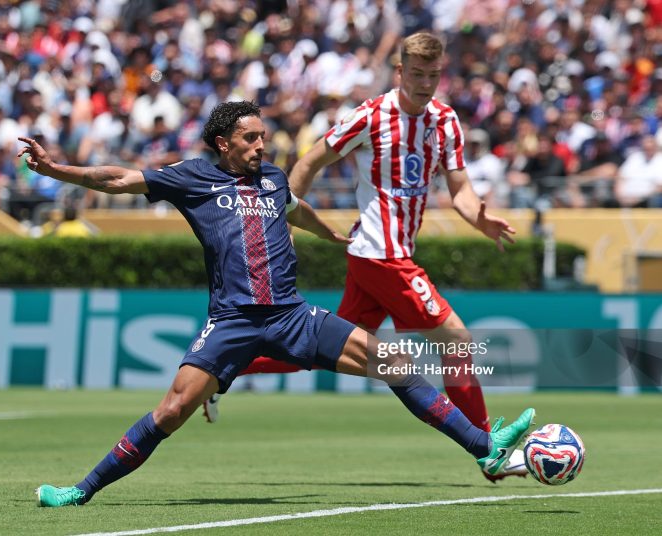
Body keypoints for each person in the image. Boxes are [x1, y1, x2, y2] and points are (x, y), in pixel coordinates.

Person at [17, 101, 534, 507]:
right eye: (250, 137)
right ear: (223, 143)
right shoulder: (193, 177)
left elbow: (295, 208)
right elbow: (116, 179)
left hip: (292, 315)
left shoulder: (273, 178)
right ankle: (81, 490)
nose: (262, 144)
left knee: (395, 361)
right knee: (173, 409)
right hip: (232, 322)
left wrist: (330, 234)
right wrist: (56, 169)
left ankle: (485, 447)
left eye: (263, 135)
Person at [206, 33, 525, 483]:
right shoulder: (372, 115)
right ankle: (488, 445)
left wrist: (480, 218)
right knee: (456, 341)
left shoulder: (446, 121)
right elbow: (311, 159)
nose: (425, 84)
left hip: (380, 256)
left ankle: (219, 369)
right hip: (381, 253)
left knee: (317, 352)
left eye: (433, 75)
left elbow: (461, 191)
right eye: (416, 74)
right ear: (399, 72)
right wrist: (283, 217)